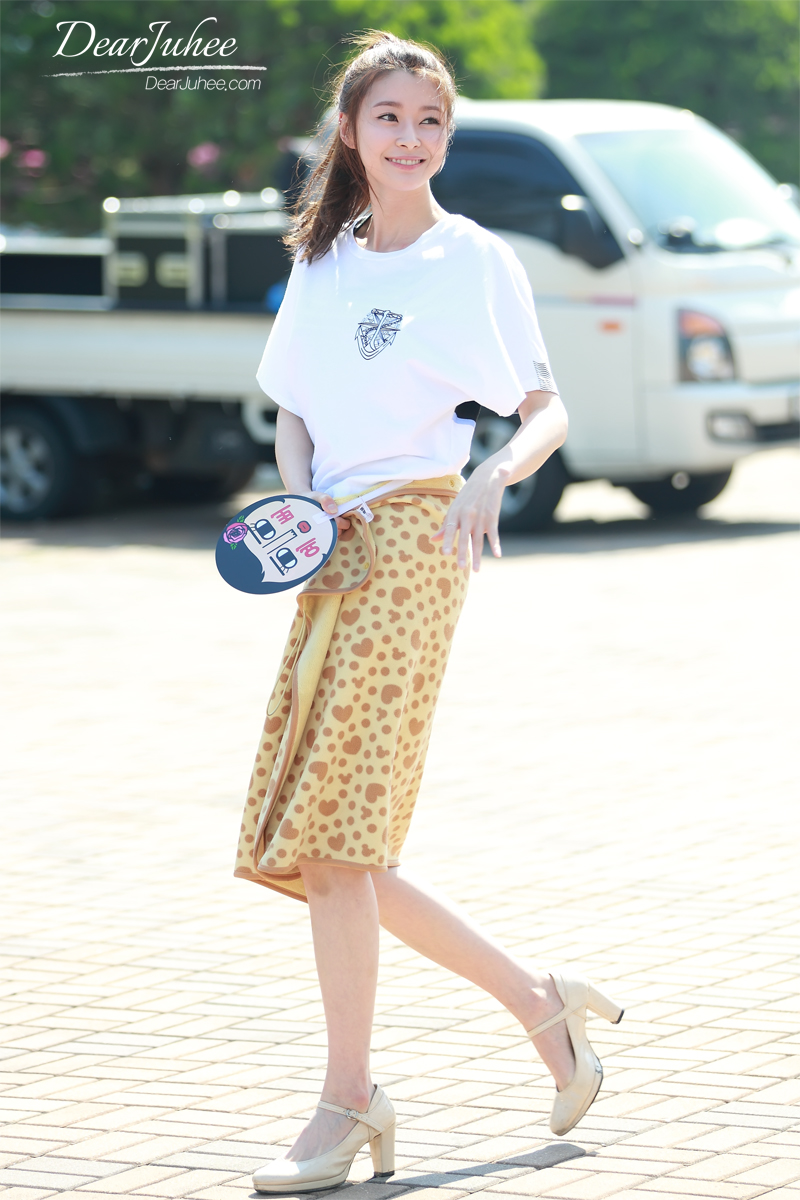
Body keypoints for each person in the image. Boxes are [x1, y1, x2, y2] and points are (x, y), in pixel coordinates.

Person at [234, 30, 624, 1195]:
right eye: (389, 117)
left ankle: (348, 1098)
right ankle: (539, 1003)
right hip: (330, 548)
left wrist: (492, 471)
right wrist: (299, 503)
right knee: (332, 840)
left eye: (430, 120)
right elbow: (293, 409)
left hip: (417, 538)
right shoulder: (322, 259)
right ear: (350, 132)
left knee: (336, 837)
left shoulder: (473, 259)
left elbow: (546, 408)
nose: (411, 137)